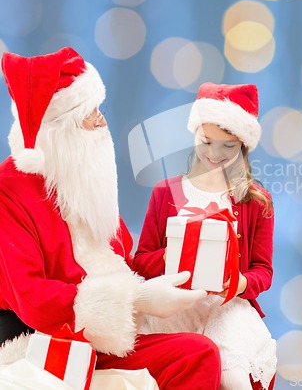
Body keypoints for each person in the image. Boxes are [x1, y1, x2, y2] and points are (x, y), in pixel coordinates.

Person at [0, 47, 221, 389]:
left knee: (203, 350)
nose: (103, 121)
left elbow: (122, 262)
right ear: (62, 129)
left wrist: (184, 257)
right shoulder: (9, 191)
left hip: (105, 337)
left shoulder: (82, 175)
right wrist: (137, 299)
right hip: (47, 342)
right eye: (92, 113)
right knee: (198, 354)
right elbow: (33, 299)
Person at [134, 82, 277, 390]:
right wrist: (178, 253)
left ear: (243, 147)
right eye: (206, 141)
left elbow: (263, 271)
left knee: (231, 374)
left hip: (227, 308)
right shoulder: (166, 193)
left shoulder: (256, 201)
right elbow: (141, 263)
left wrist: (241, 283)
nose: (214, 154)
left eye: (228, 146)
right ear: (195, 134)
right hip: (175, 308)